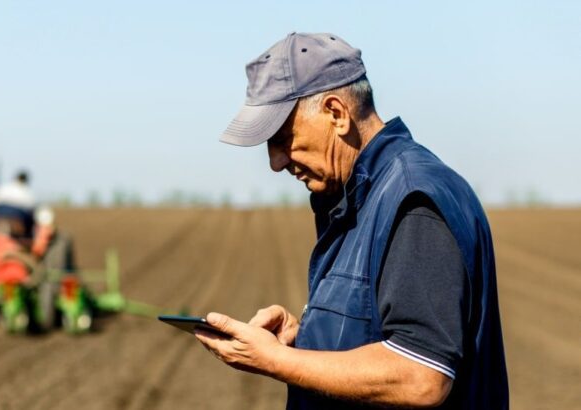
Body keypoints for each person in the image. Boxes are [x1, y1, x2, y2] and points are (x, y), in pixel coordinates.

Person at [194, 32, 508, 408]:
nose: (275, 163)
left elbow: (420, 377)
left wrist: (276, 360)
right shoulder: (359, 197)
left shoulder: (412, 200)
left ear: (336, 113)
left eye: (280, 138)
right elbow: (374, 333)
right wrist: (307, 337)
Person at [0, 170, 37, 239]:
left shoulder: (4, 188)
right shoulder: (28, 194)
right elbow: (32, 212)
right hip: (17, 220)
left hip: (0, 218)